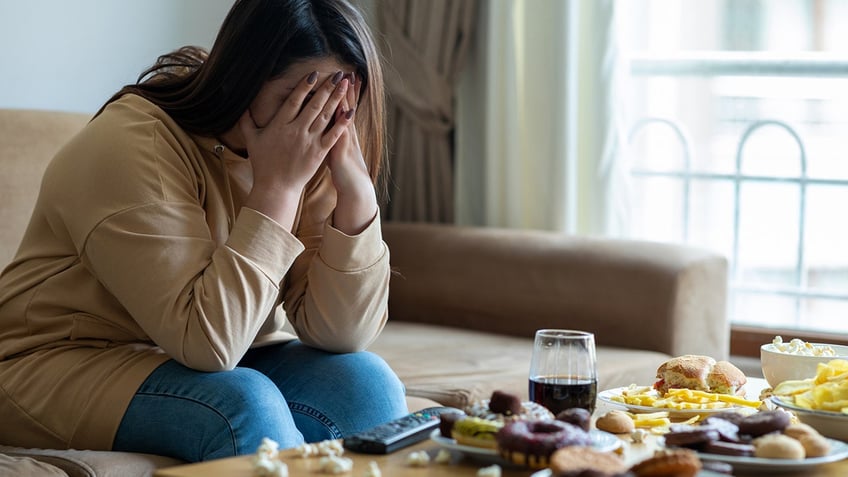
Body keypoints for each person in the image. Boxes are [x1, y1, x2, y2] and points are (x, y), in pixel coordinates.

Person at [0, 0, 408, 462]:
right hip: (58, 363)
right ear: (243, 77)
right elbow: (208, 344)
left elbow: (340, 333)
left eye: (336, 104)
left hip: (201, 356)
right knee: (241, 404)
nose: (317, 121)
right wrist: (278, 187)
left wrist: (356, 195)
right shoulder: (131, 144)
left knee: (366, 386)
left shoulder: (313, 150)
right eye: (300, 99)